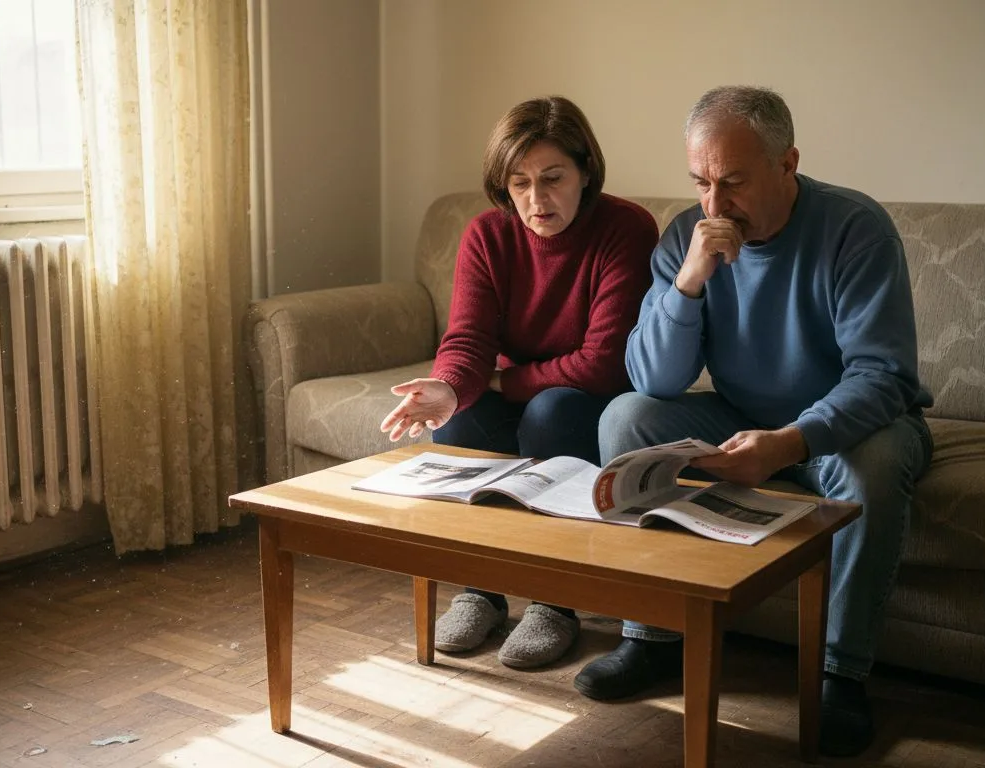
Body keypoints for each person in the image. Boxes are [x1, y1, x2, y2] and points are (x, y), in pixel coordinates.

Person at [577, 86, 933, 758]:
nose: (715, 204)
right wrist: (687, 283)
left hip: (853, 426)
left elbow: (883, 376)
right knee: (626, 418)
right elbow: (653, 379)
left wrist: (791, 442)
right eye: (701, 182)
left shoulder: (855, 228)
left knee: (876, 463)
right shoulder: (687, 236)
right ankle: (651, 637)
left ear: (787, 162)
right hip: (741, 413)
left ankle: (841, 676)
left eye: (733, 181)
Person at [379, 95, 659, 670]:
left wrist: (504, 382)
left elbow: (604, 360)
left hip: (590, 402)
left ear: (586, 171)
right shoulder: (488, 235)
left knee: (551, 412)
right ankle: (480, 587)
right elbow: (468, 339)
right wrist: (451, 388)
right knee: (458, 415)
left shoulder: (625, 228)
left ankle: (554, 601)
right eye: (520, 183)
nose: (536, 199)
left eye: (553, 178)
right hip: (528, 389)